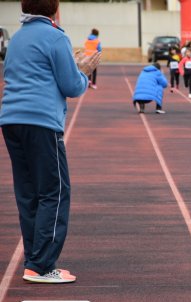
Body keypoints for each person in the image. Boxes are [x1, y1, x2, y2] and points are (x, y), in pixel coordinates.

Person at [0, 0, 100, 283]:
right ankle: (42, 266)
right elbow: (70, 85)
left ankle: (35, 260)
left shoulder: (18, 37)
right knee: (54, 192)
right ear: (55, 10)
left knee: (28, 193)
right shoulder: (56, 37)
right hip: (41, 122)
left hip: (11, 120)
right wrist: (83, 71)